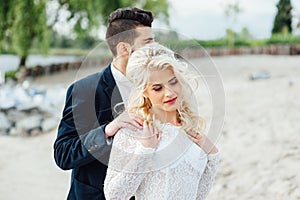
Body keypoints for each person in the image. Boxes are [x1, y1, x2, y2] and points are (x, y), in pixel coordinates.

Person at [53, 7, 155, 200]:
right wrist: (107, 130)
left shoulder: (156, 86)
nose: (155, 50)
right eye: (148, 43)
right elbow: (63, 154)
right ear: (124, 48)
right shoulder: (84, 90)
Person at [104, 43, 220, 200]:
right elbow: (113, 195)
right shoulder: (132, 132)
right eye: (158, 88)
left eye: (173, 82)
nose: (170, 93)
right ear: (143, 92)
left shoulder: (189, 129)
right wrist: (145, 151)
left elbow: (198, 195)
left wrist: (212, 156)